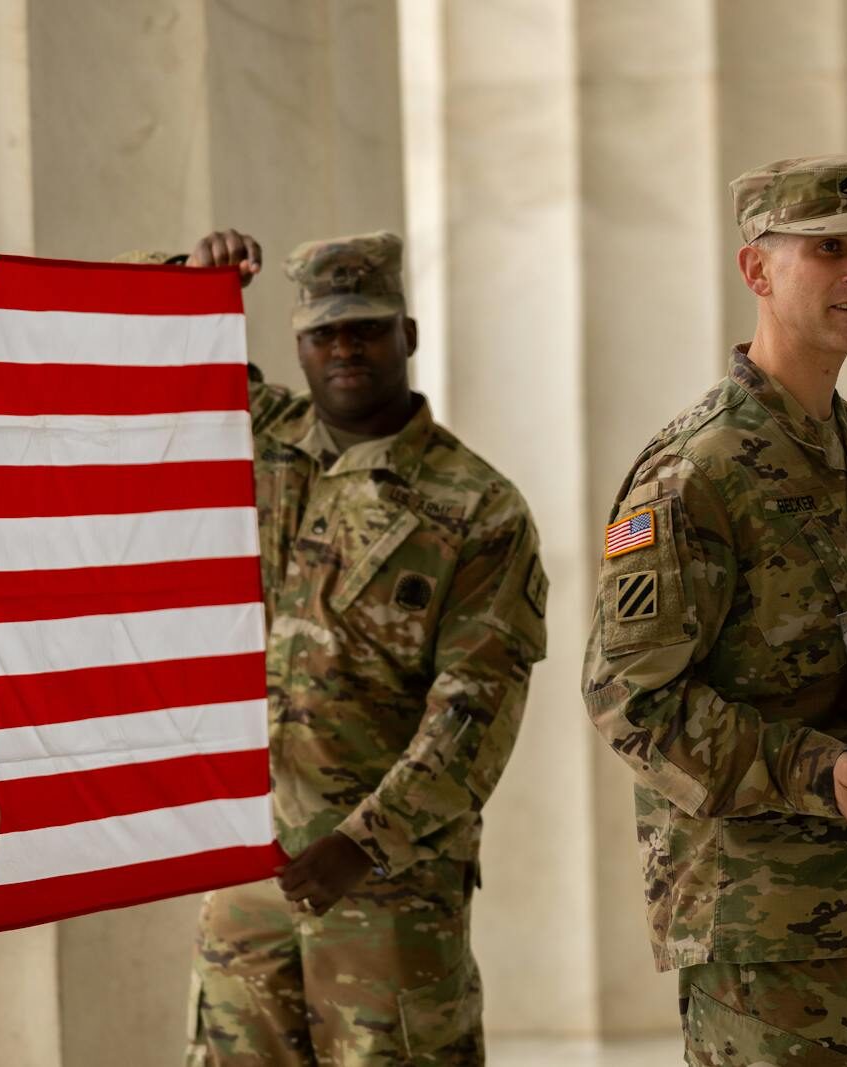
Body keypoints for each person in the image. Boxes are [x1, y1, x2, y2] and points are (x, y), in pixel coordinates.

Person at [580, 155, 847, 1065]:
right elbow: (631, 701)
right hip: (772, 942)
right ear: (757, 270)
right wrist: (811, 768)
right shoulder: (696, 471)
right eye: (829, 249)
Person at [179, 230, 548, 1065]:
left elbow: (476, 712)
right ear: (300, 347)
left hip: (388, 888)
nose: (345, 347)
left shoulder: (478, 507)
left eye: (367, 328)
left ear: (408, 336)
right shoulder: (263, 443)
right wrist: (191, 281)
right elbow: (135, 348)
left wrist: (363, 842)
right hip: (247, 881)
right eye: (324, 333)